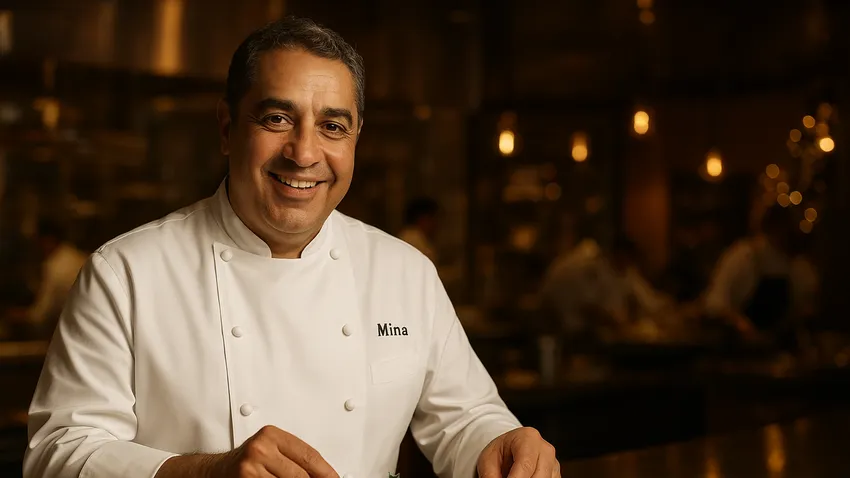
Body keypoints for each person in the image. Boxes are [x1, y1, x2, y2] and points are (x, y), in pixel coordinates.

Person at [23, 17, 558, 478]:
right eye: (276, 118)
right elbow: (56, 453)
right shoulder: (126, 273)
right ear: (228, 127)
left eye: (332, 126)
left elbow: (465, 417)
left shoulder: (404, 272)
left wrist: (500, 442)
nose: (304, 153)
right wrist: (205, 472)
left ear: (355, 140)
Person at [703, 204, 818, 339]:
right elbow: (714, 303)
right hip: (738, 350)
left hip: (777, 349)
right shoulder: (746, 256)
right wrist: (739, 324)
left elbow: (802, 309)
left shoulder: (796, 265)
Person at [540, 233, 669, 335]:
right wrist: (617, 324)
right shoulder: (591, 268)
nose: (628, 264)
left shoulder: (627, 273)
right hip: (575, 333)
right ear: (616, 254)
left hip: (604, 333)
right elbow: (590, 309)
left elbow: (648, 300)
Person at [9, 219, 87, 337]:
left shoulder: (55, 266)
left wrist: (19, 315)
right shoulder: (75, 255)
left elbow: (41, 314)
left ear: (47, 240)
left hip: (80, 329)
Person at [398, 197, 440, 263]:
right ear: (422, 219)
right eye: (433, 218)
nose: (436, 223)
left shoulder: (417, 236)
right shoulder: (412, 238)